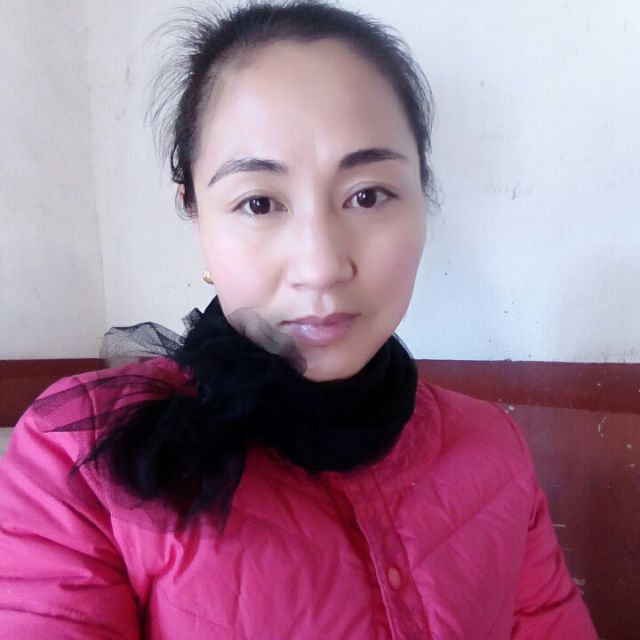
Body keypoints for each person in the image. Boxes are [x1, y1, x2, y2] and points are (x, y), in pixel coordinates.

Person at [0, 2, 597, 638]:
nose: (321, 266)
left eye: (368, 195)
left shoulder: (493, 448)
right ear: (196, 214)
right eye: (259, 203)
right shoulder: (78, 460)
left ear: (422, 196)